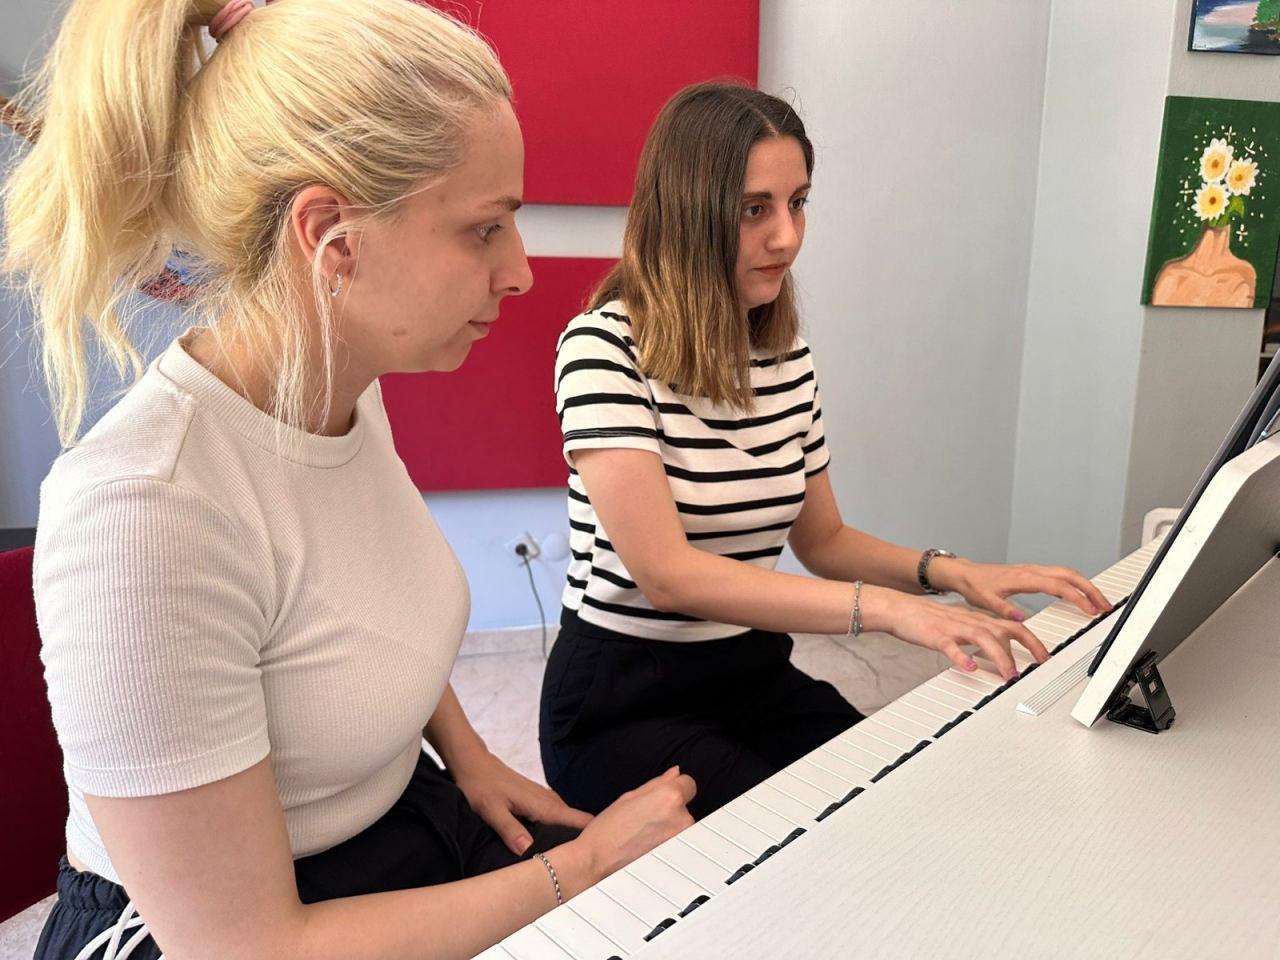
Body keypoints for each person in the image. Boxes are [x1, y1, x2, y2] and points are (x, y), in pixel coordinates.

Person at [4, 1, 694, 958]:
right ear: (332, 238)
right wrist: (578, 869)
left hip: (393, 820)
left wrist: (469, 755)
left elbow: (359, 613)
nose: (522, 272)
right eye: (484, 229)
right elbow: (249, 946)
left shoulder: (344, 389)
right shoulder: (145, 510)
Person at [540, 82, 1112, 819]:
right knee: (801, 841)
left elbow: (824, 541)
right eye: (754, 209)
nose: (787, 237)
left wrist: (954, 573)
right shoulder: (603, 348)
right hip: (621, 699)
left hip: (746, 669)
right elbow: (669, 577)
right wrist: (890, 612)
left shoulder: (785, 356)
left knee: (888, 802)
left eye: (798, 202)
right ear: (686, 212)